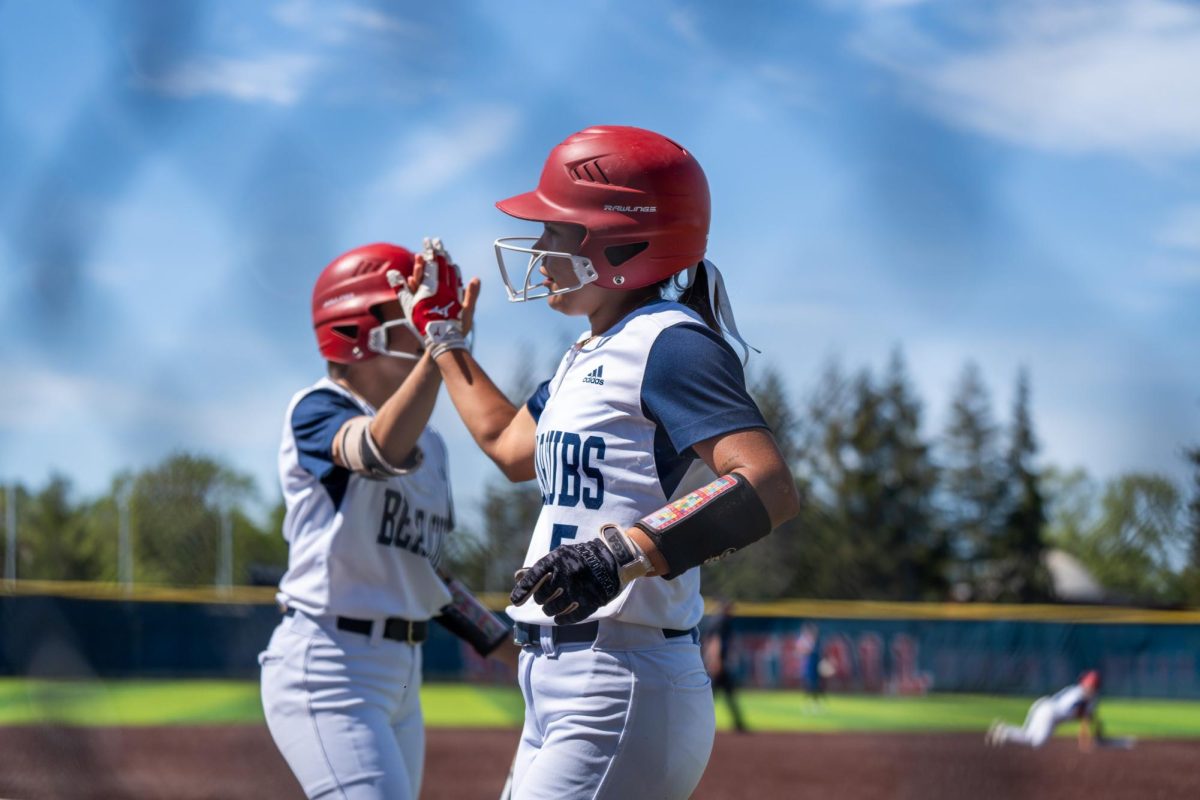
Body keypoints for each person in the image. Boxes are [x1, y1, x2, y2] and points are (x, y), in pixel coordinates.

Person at [400, 125, 802, 799]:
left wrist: (623, 552)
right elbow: (505, 444)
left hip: (623, 676)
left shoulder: (669, 343)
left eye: (558, 229)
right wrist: (444, 340)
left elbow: (767, 484)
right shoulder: (590, 353)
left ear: (621, 240)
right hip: (560, 682)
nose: (540, 248)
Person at [259, 242, 516, 800]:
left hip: (402, 667)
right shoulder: (318, 407)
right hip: (329, 661)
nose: (427, 318)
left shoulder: (435, 444)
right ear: (358, 329)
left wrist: (506, 647)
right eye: (411, 310)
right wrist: (440, 345)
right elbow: (376, 451)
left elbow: (427, 577)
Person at [986, 670, 1103, 750]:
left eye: (1091, 685)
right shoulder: (1082, 697)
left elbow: (1084, 717)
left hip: (1043, 705)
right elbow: (1081, 714)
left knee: (1029, 735)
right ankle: (1005, 731)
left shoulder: (1079, 692)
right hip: (1050, 712)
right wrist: (1086, 739)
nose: (1089, 687)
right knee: (1037, 741)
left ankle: (1004, 730)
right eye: (1089, 685)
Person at [703, 598, 748, 732]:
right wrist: (715, 661)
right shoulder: (722, 621)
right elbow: (715, 641)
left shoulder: (717, 620)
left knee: (726, 694)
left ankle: (739, 724)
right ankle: (702, 723)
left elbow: (707, 641)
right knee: (712, 696)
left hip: (718, 663)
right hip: (718, 664)